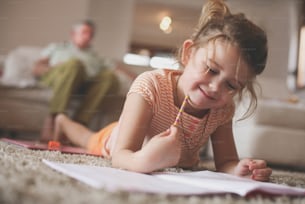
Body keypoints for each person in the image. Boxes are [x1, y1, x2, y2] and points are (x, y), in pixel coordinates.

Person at [52, 0, 272, 181]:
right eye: (211, 69)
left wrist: (240, 170)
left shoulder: (223, 109)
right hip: (115, 138)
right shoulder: (150, 85)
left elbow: (225, 162)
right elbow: (121, 155)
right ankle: (62, 121)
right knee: (89, 139)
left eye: (231, 85)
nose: (216, 88)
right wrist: (143, 160)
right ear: (188, 54)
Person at [32, 20, 118, 141]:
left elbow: (116, 67)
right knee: (74, 64)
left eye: (91, 34)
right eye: (84, 32)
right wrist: (58, 68)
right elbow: (37, 68)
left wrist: (139, 77)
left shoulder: (95, 56)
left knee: (110, 77)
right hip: (58, 76)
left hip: (83, 83)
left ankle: (79, 124)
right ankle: (54, 118)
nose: (88, 37)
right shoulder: (58, 48)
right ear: (73, 34)